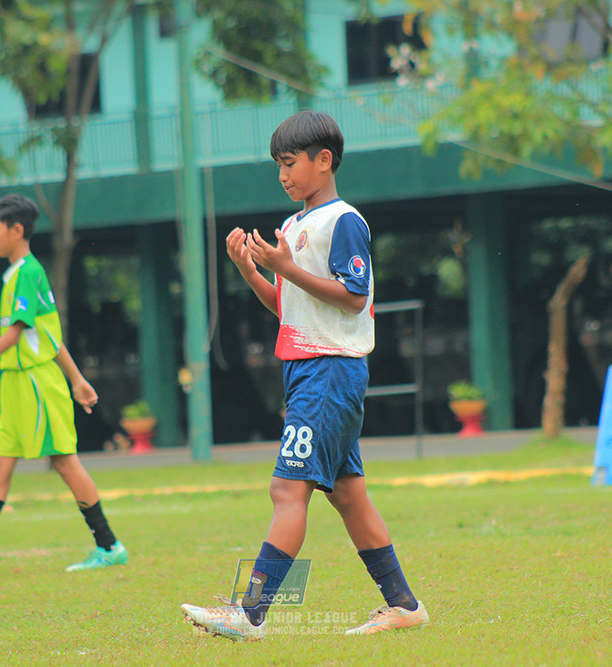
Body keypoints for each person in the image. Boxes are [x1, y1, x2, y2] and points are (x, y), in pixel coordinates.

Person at [180, 111, 428, 640]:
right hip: (307, 370)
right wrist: (253, 270)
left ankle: (248, 613)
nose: (282, 175)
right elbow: (290, 307)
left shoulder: (344, 222)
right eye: (278, 166)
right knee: (348, 494)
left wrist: (286, 267)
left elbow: (354, 297)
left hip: (330, 371)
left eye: (289, 163)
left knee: (286, 490)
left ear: (324, 160)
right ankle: (403, 604)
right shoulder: (294, 226)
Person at [0, 194, 126, 577]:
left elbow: (17, 335)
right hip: (15, 384)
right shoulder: (15, 274)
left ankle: (109, 545)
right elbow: (49, 333)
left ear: (17, 230)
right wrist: (78, 379)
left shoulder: (28, 272)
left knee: (63, 460)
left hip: (35, 382)